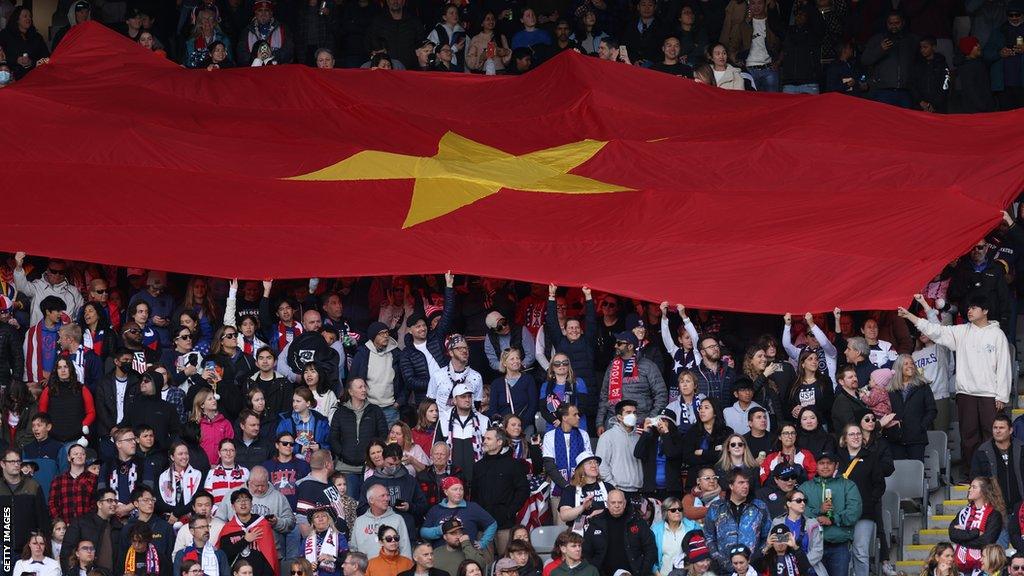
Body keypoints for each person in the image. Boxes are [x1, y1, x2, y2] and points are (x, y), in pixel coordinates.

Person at [899, 294, 1012, 477]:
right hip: (966, 393)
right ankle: (972, 475)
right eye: (968, 308)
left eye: (974, 307)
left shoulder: (997, 334)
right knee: (968, 437)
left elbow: (1004, 366)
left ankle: (994, 475)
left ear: (985, 311)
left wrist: (1002, 395)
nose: (969, 311)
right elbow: (936, 331)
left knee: (991, 436)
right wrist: (911, 317)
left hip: (990, 394)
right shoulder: (961, 331)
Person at [837, 424, 893, 576]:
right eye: (851, 434)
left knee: (860, 551)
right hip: (840, 514)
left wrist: (868, 502)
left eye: (858, 434)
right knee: (841, 552)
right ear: (844, 439)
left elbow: (879, 485)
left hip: (864, 513)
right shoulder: (836, 458)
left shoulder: (871, 457)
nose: (856, 437)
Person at [797, 451, 862, 576]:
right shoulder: (805, 487)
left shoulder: (848, 485)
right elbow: (797, 510)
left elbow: (854, 512)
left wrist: (833, 519)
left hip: (839, 545)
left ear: (836, 465)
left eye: (829, 463)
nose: (825, 466)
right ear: (816, 465)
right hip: (811, 547)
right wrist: (818, 512)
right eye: (821, 463)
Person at [545, 285, 598, 432]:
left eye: (576, 327)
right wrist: (551, 296)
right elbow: (551, 323)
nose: (574, 330)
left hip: (587, 392)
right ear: (565, 330)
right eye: (570, 328)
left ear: (581, 330)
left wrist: (588, 297)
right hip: (566, 390)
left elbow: (592, 321)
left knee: (584, 427)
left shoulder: (588, 342)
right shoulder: (560, 342)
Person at [596, 330, 668, 434]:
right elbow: (604, 396)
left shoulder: (648, 366)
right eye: (616, 343)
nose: (616, 346)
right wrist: (600, 423)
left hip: (639, 422)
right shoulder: (612, 366)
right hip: (614, 422)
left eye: (620, 343)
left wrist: (650, 420)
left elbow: (661, 394)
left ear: (630, 347)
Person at [471, 427, 529, 554]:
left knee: (508, 562)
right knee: (485, 563)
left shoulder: (514, 464)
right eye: (484, 438)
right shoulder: (477, 466)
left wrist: (509, 511)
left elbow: (523, 490)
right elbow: (473, 494)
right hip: (483, 526)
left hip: (505, 524)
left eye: (488, 438)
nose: (484, 441)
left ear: (499, 442)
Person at [330, 378, 388, 499]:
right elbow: (333, 438)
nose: (364, 390)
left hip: (371, 468)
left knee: (372, 502)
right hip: (346, 467)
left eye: (364, 387)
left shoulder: (375, 410)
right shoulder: (340, 412)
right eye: (360, 387)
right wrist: (342, 453)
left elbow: (383, 435)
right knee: (350, 505)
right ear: (350, 392)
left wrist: (372, 456)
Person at [703, 470, 772, 572]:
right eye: (741, 483)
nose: (746, 486)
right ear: (731, 486)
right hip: (723, 569)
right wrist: (718, 558)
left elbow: (767, 536)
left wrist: (756, 556)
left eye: (747, 482)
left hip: (753, 568)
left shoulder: (759, 507)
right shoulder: (716, 507)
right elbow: (708, 536)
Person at [582, 489, 657, 575]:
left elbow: (650, 549)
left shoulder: (637, 521)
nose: (617, 505)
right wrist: (594, 572)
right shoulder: (596, 522)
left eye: (620, 502)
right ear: (607, 503)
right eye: (613, 502)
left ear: (625, 503)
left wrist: (642, 573)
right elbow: (586, 552)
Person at [349, 322, 402, 427]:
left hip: (391, 408)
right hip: (368, 407)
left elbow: (404, 380)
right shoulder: (363, 354)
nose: (386, 336)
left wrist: (399, 402)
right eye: (381, 334)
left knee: (392, 441)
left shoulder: (396, 354)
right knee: (370, 441)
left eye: (387, 332)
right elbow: (353, 380)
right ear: (373, 337)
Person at [217, 489, 278, 576]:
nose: (243, 503)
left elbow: (269, 556)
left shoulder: (262, 524)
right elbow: (224, 554)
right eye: (238, 500)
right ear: (233, 506)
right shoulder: (228, 528)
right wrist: (245, 540)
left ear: (251, 504)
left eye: (246, 499)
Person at [436, 384, 490, 482]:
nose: (467, 399)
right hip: (452, 478)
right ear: (455, 400)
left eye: (469, 396)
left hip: (478, 477)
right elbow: (436, 448)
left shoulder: (483, 420)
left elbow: (490, 449)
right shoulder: (444, 420)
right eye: (463, 397)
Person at [950, 476, 1005, 574]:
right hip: (960, 566)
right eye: (970, 487)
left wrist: (962, 539)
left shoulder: (994, 515)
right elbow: (953, 534)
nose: (969, 490)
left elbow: (986, 541)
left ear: (983, 492)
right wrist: (975, 533)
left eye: (974, 487)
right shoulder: (963, 512)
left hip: (983, 566)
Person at [61, 488, 119, 572]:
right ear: (99, 504)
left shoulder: (118, 526)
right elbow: (66, 553)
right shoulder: (80, 523)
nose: (114, 504)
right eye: (109, 500)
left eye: (115, 501)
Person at [596, 399, 644, 496]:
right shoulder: (607, 436)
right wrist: (613, 486)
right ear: (619, 417)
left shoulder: (639, 437)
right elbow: (601, 464)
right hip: (617, 490)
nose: (633, 415)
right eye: (628, 412)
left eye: (634, 412)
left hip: (637, 490)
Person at [635, 407, 686, 499]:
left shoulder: (679, 440)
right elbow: (638, 454)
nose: (661, 424)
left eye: (665, 421)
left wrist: (666, 433)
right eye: (660, 420)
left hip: (672, 490)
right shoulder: (650, 439)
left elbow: (671, 453)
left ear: (671, 424)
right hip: (651, 490)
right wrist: (646, 432)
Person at [351, 484, 412, 559]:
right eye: (382, 496)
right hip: (366, 569)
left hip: (392, 569)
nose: (387, 499)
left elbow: (405, 549)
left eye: (387, 495)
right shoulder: (359, 521)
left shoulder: (398, 519)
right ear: (371, 500)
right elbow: (353, 550)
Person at [681, 398, 734, 480]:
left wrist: (702, 453)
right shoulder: (692, 431)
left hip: (720, 476)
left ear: (715, 412)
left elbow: (726, 456)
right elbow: (687, 457)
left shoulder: (727, 432)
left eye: (706, 408)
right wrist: (712, 456)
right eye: (700, 408)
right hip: (696, 476)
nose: (702, 411)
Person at [427, 335, 483, 408]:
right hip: (442, 417)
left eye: (466, 348)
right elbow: (430, 403)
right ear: (451, 352)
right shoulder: (438, 375)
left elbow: (476, 405)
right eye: (459, 348)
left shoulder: (476, 377)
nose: (464, 351)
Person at [489, 347, 538, 428]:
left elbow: (533, 405)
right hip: (503, 427)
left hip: (524, 425)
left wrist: (520, 425)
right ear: (504, 363)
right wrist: (502, 425)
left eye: (518, 358)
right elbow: (493, 408)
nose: (516, 361)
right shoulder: (496, 383)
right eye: (512, 359)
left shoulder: (528, 379)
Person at [539, 354, 589, 433]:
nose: (561, 365)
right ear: (552, 367)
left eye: (565, 363)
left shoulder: (578, 382)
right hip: (554, 427)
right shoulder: (545, 386)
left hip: (576, 427)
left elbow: (583, 406)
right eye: (557, 363)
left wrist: (569, 420)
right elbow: (543, 409)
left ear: (569, 365)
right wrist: (556, 420)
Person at [653, 497, 692, 575]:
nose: (677, 512)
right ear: (665, 512)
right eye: (673, 510)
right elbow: (649, 556)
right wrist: (657, 574)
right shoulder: (655, 531)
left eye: (679, 509)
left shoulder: (692, 527)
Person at [667, 371, 705, 435]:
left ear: (695, 385)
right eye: (682, 382)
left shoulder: (703, 401)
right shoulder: (671, 407)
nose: (684, 385)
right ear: (679, 386)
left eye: (688, 381)